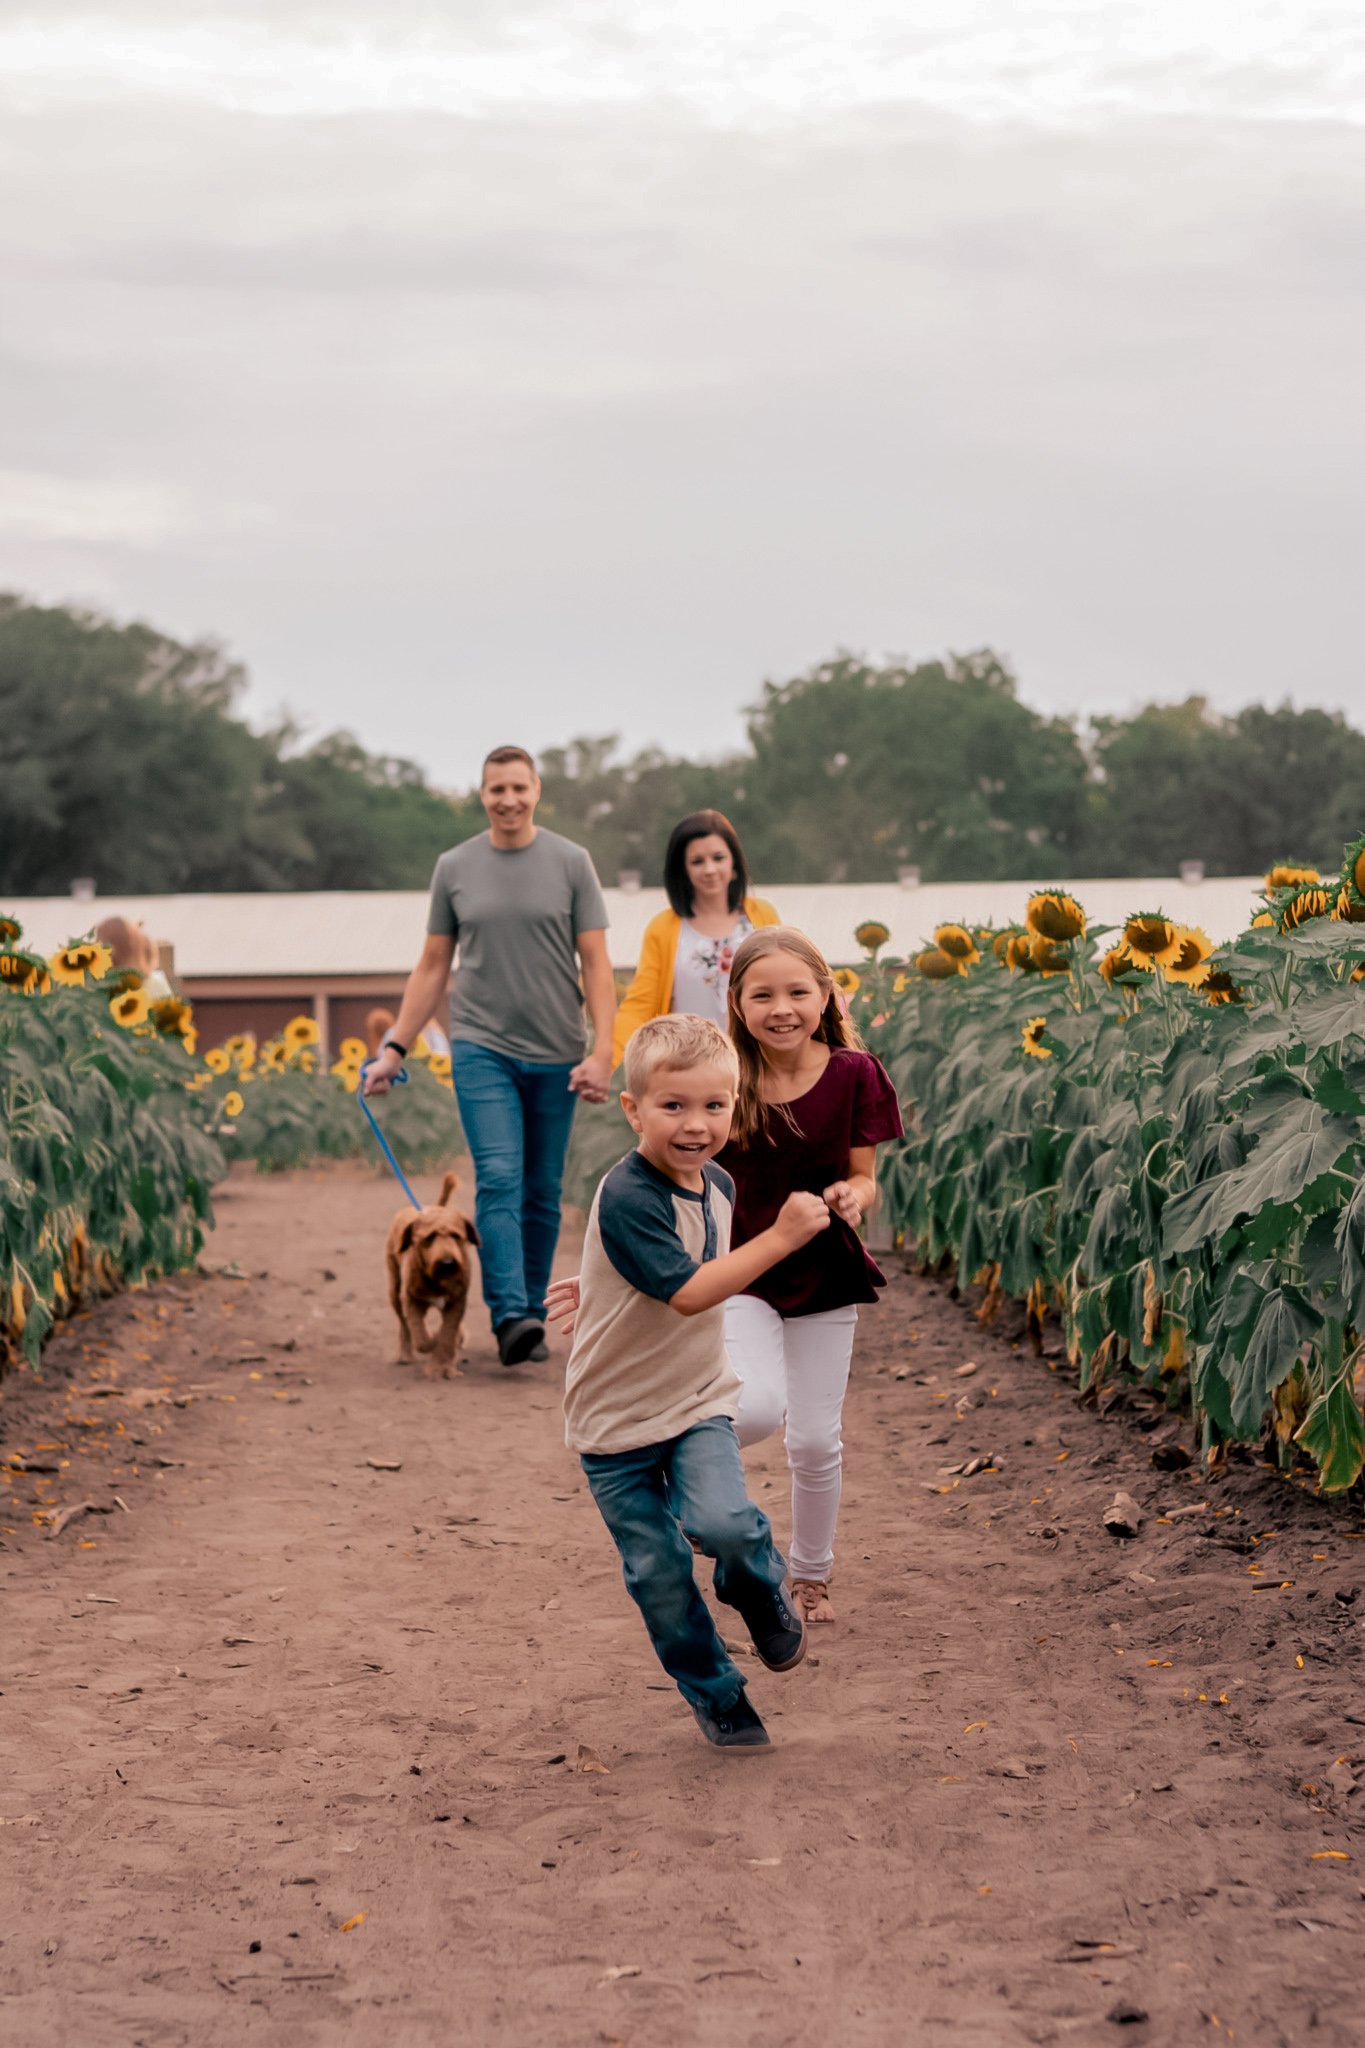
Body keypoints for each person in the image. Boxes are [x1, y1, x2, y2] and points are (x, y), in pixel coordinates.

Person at [546, 1014, 830, 1749]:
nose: (695, 1125)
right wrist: (782, 1238)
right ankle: (717, 1693)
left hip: (696, 1398)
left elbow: (683, 1256)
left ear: (733, 1109)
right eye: (672, 1106)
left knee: (724, 1524)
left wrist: (605, 1278)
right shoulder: (627, 1194)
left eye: (713, 1106)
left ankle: (756, 1588)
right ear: (633, 1108)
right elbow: (689, 1291)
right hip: (614, 1426)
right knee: (659, 1574)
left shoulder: (719, 1183)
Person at [363, 745, 616, 1368]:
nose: (508, 800)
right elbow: (431, 966)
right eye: (496, 789)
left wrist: (604, 1050)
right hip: (481, 1047)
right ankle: (509, 1314)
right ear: (482, 794)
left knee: (542, 1188)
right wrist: (395, 1046)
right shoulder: (455, 867)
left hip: (559, 1049)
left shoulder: (571, 863)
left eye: (518, 788)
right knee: (500, 1176)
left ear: (536, 791)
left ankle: (529, 1308)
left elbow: (597, 962)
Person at [718, 926, 903, 1627]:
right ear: (737, 1004)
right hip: (741, 1268)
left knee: (816, 1440)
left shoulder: (855, 1073)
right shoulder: (725, 1077)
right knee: (756, 1408)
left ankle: (810, 1577)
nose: (782, 1008)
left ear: (825, 994)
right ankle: (692, 1485)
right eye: (762, 995)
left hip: (824, 1268)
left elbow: (863, 1176)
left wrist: (855, 1198)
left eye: (798, 991)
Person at [610, 811, 779, 1068]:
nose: (710, 869)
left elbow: (788, 979)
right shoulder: (663, 928)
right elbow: (640, 1004)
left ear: (734, 861)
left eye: (718, 858)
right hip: (688, 1071)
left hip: (758, 1065)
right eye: (697, 861)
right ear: (683, 870)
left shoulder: (762, 916)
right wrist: (611, 1063)